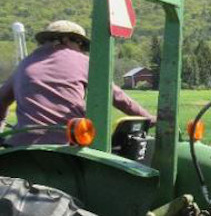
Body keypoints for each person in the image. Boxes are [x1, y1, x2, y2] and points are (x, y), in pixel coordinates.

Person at [0, 20, 155, 146]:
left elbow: (2, 101)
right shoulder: (83, 62)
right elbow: (118, 97)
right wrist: (151, 120)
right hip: (67, 145)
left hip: (21, 146)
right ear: (67, 39)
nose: (81, 51)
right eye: (80, 45)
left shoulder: (24, 64)